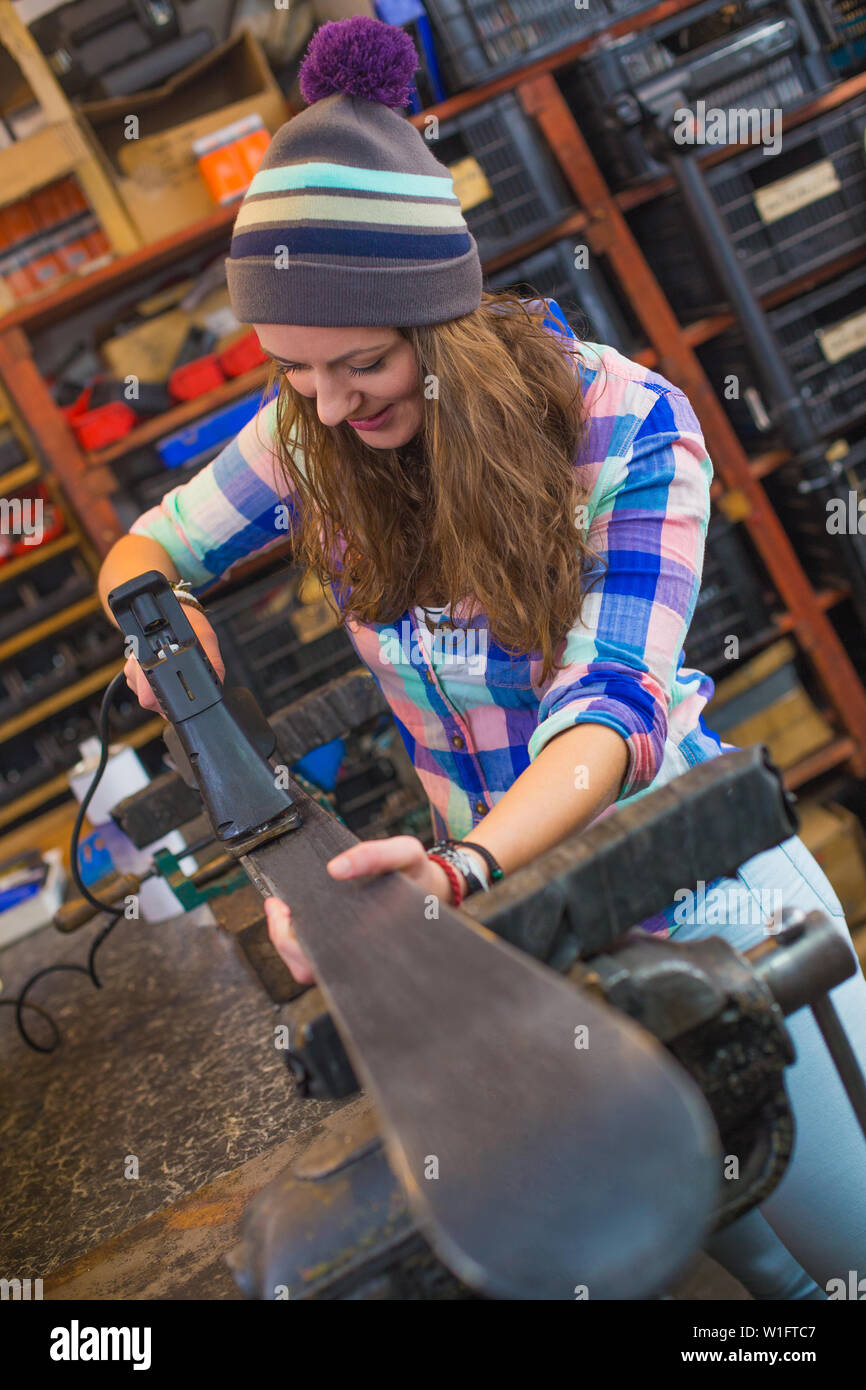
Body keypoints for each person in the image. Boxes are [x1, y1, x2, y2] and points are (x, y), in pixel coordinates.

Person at [99, 15, 866, 1299]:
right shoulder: (314, 430)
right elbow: (148, 544)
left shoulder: (623, 426)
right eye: (295, 372)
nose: (331, 406)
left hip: (699, 898)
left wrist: (456, 868)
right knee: (729, 1260)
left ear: (442, 326)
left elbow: (608, 713)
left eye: (363, 363)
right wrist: (161, 626)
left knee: (844, 1252)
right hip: (515, 941)